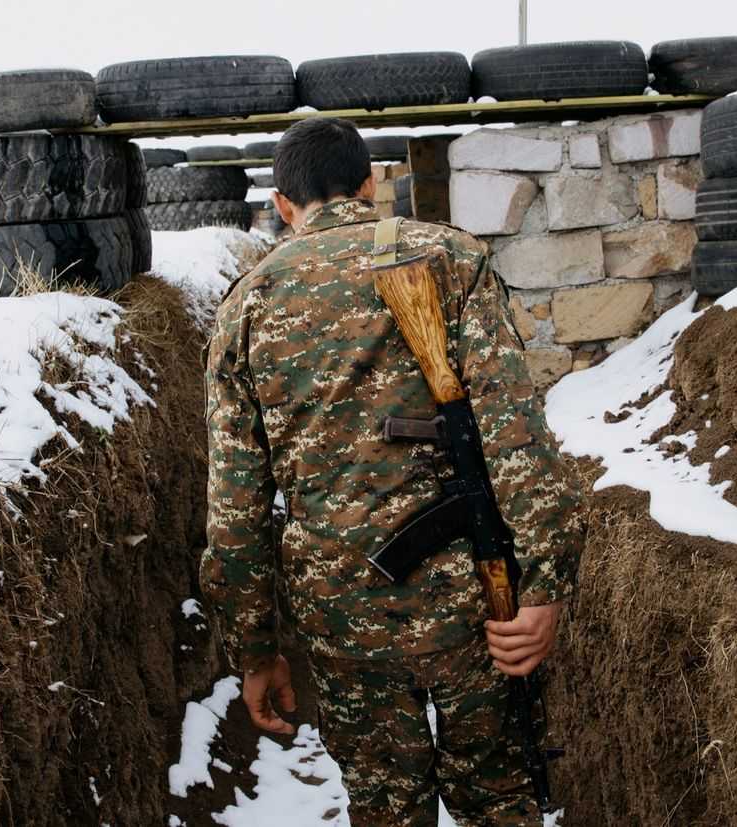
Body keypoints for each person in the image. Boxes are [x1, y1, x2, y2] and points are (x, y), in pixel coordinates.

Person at [201, 117, 585, 826]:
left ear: (283, 203)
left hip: (341, 617)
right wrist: (545, 586)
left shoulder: (244, 307)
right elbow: (519, 443)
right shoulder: (450, 257)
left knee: (383, 807)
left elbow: (235, 516)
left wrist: (255, 650)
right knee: (498, 800)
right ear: (371, 183)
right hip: (474, 605)